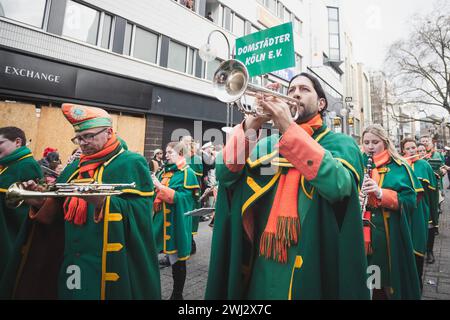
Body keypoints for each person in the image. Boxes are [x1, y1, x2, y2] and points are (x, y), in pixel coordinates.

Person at [206, 73, 369, 299]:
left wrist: (287, 126)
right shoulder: (268, 145)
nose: (295, 94)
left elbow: (339, 186)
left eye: (304, 89)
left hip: (313, 262)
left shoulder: (340, 143)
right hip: (260, 265)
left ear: (321, 104)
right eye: (291, 90)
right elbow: (225, 176)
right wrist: (252, 124)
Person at [0, 104, 160, 300]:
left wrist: (103, 202)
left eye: (89, 136)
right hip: (70, 260)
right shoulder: (74, 167)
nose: (83, 143)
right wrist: (37, 202)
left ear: (109, 132)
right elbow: (56, 213)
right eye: (79, 138)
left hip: (111, 262)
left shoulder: (131, 161)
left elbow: (142, 214)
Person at [361, 125, 421, 299]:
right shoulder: (359, 163)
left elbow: (410, 201)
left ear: (385, 142)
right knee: (370, 279)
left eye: (375, 142)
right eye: (366, 142)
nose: (370, 147)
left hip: (388, 234)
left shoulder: (399, 166)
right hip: (363, 233)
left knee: (388, 280)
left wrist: (381, 193)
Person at [152, 141, 200, 300]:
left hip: (176, 223)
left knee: (177, 262)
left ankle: (177, 294)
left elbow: (185, 199)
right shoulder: (163, 172)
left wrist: (160, 187)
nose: (166, 155)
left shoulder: (188, 174)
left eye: (170, 152)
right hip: (159, 223)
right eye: (166, 152)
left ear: (180, 154)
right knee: (150, 255)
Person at [0, 127, 42, 280]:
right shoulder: (7, 165)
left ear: (17, 142)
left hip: (11, 237)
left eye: (0, 143)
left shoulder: (26, 165)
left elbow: (27, 209)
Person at [401, 138, 438, 291]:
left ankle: (417, 283)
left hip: (419, 211)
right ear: (403, 150)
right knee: (403, 245)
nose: (412, 150)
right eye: (408, 148)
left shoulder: (424, 165)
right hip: (403, 210)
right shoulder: (400, 164)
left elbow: (432, 194)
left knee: (417, 244)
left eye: (413, 147)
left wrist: (432, 217)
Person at [417, 143, 439, 264]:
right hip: (414, 203)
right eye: (418, 150)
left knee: (429, 225)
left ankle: (429, 251)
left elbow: (434, 183)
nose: (419, 153)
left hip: (427, 199)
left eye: (421, 150)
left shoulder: (427, 164)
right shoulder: (406, 164)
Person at [180, 136, 203, 255]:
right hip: (179, 193)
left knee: (190, 219)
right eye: (184, 143)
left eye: (188, 143)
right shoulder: (181, 156)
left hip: (190, 194)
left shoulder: (196, 158)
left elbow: (196, 178)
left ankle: (190, 245)